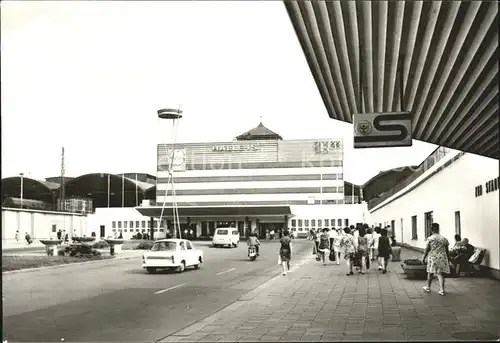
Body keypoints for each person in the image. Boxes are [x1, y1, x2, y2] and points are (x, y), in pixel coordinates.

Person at [422, 223, 450, 296]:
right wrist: (448, 258)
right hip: (442, 257)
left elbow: (427, 249)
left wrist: (423, 257)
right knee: (440, 273)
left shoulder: (430, 238)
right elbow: (447, 250)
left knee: (430, 272)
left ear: (431, 230)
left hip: (433, 257)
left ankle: (428, 287)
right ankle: (442, 290)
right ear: (438, 229)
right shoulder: (444, 239)